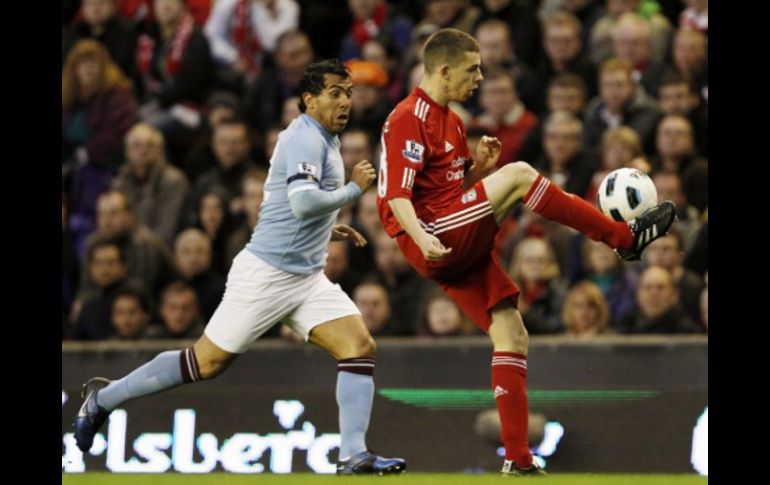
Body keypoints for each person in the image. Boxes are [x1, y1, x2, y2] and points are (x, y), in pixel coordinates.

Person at [74, 59, 406, 476]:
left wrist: (329, 228)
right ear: (309, 99)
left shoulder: (326, 138)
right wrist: (354, 189)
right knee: (205, 363)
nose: (345, 101)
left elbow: (289, 205)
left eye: (348, 93)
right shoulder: (304, 138)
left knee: (358, 346)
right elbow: (304, 201)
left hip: (304, 276)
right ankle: (103, 398)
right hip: (267, 274)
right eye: (335, 93)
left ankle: (353, 455)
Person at [376, 28, 675, 476]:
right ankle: (623, 238)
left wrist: (479, 171)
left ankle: (518, 460)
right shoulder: (408, 117)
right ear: (443, 69)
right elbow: (400, 197)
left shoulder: (453, 122)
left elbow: (446, 189)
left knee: (512, 336)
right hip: (431, 235)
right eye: (472, 69)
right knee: (520, 176)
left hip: (447, 233)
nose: (479, 77)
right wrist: (422, 239)